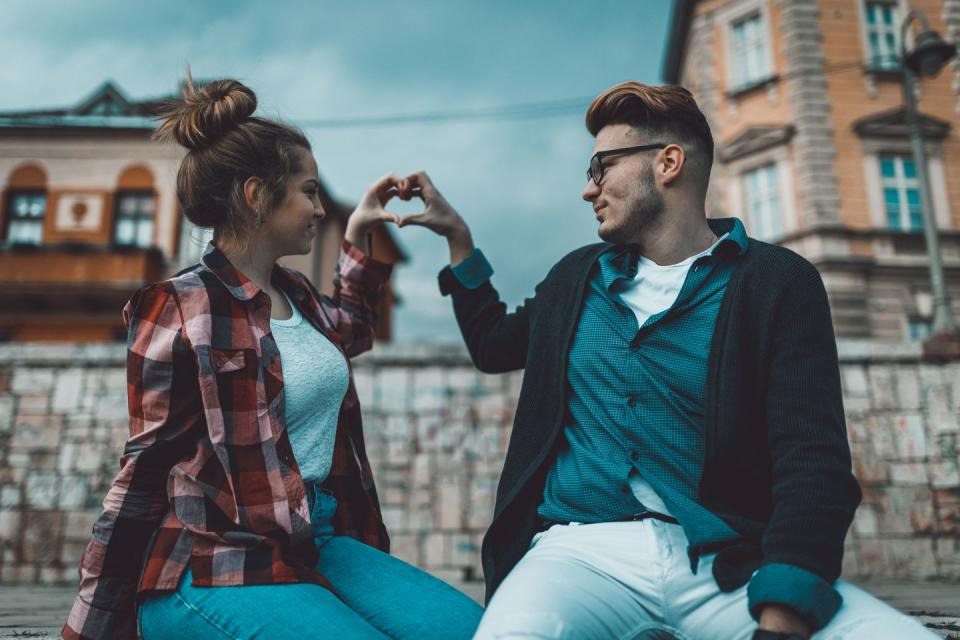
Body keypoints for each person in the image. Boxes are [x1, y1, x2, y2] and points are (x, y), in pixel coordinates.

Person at [396, 82, 938, 639]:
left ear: (668, 162)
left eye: (601, 166)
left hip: (728, 561)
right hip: (578, 553)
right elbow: (493, 345)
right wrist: (458, 239)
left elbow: (813, 464)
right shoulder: (574, 280)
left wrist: (783, 618)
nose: (588, 190)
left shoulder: (779, 283)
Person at [62, 77, 482, 640]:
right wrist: (89, 626)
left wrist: (360, 229)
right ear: (258, 194)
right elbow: (143, 469)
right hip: (212, 560)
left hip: (318, 538)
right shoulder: (181, 306)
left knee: (479, 631)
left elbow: (351, 328)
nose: (316, 207)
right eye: (308, 191)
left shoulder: (299, 298)